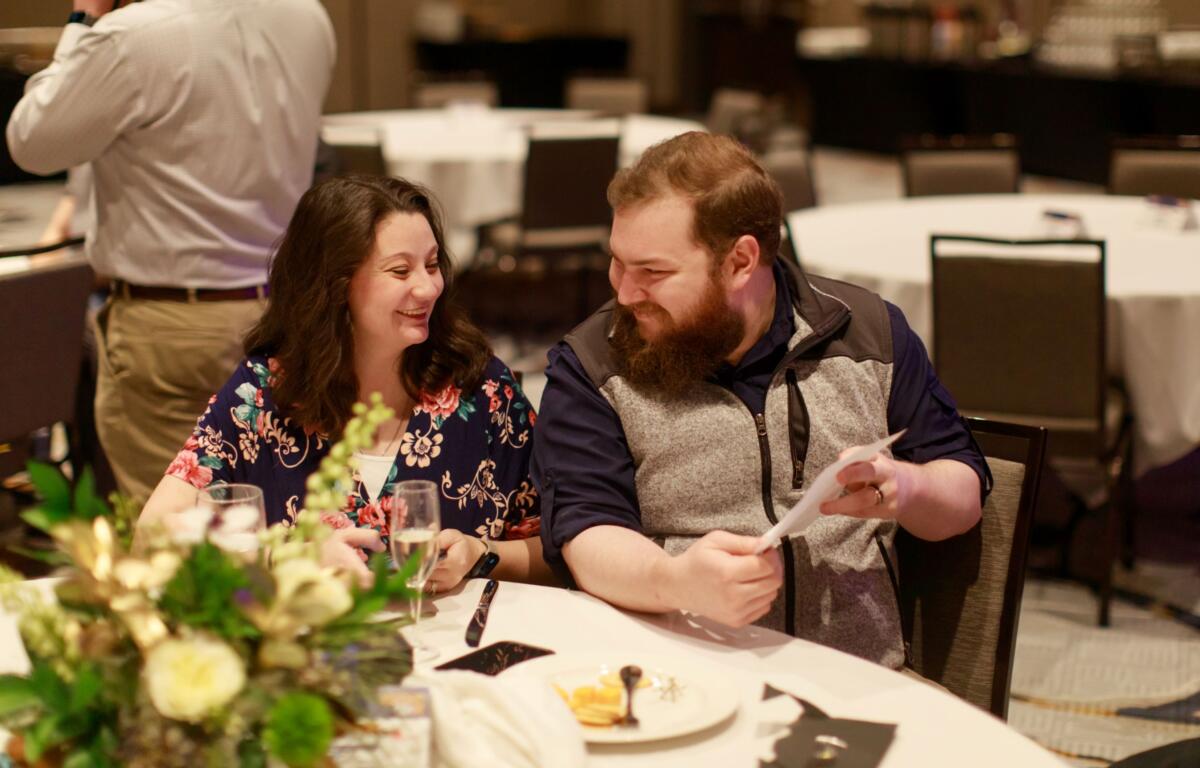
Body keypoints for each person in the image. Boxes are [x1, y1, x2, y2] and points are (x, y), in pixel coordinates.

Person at [531, 132, 990, 669]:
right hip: (682, 675)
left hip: (858, 678)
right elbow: (586, 533)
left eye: (653, 272)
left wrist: (911, 487)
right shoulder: (593, 363)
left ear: (741, 261)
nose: (625, 293)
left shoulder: (869, 333)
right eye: (617, 262)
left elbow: (963, 489)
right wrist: (674, 581)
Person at [137, 175, 551, 591]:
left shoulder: (480, 390)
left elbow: (560, 551)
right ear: (335, 286)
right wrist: (285, 557)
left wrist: (482, 553)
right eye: (400, 270)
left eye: (432, 264)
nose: (428, 287)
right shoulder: (264, 395)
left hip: (460, 646)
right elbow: (149, 539)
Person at [5, 0, 336, 506]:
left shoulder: (133, 36)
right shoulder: (306, 16)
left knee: (174, 538)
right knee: (271, 517)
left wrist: (83, 20)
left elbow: (31, 142)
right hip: (282, 311)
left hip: (170, 326)